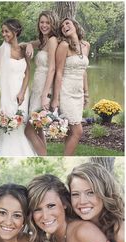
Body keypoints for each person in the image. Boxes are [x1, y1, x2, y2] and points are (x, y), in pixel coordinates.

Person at [67, 161, 124, 242]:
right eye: (75, 194)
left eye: (90, 193)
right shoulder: (73, 227)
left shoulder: (120, 233)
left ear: (105, 193)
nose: (82, 201)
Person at [0, 19, 36, 156]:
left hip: (23, 92)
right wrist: (6, 101)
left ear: (15, 31)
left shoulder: (24, 50)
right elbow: (2, 78)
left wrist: (23, 92)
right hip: (9, 92)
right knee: (11, 124)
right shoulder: (1, 51)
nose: (4, 34)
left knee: (22, 125)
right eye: (2, 31)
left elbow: (27, 72)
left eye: (6, 31)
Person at [51, 18, 90, 156]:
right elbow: (59, 72)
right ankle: (67, 159)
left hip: (78, 92)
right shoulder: (63, 46)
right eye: (62, 26)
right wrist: (56, 99)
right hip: (66, 91)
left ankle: (66, 157)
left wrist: (86, 94)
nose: (64, 26)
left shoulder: (86, 45)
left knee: (70, 132)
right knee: (78, 131)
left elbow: (84, 71)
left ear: (75, 25)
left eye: (68, 23)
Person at [24, 11, 59, 155]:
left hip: (44, 87)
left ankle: (43, 157)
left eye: (47, 23)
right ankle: (43, 155)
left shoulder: (52, 40)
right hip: (37, 86)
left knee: (29, 129)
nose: (44, 25)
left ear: (53, 24)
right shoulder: (43, 40)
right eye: (42, 22)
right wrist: (29, 45)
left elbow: (52, 69)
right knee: (37, 128)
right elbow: (24, 44)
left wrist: (46, 95)